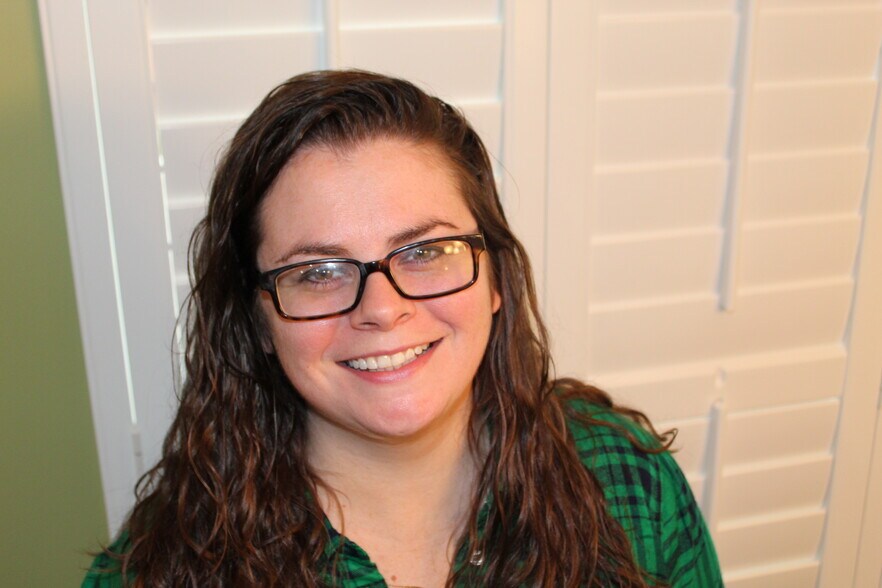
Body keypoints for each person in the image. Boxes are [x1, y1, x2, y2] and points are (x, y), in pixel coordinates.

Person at [82, 70, 721, 587]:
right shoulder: (156, 571)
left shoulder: (626, 481)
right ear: (258, 321)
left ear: (496, 279)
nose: (383, 310)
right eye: (318, 271)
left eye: (426, 252)